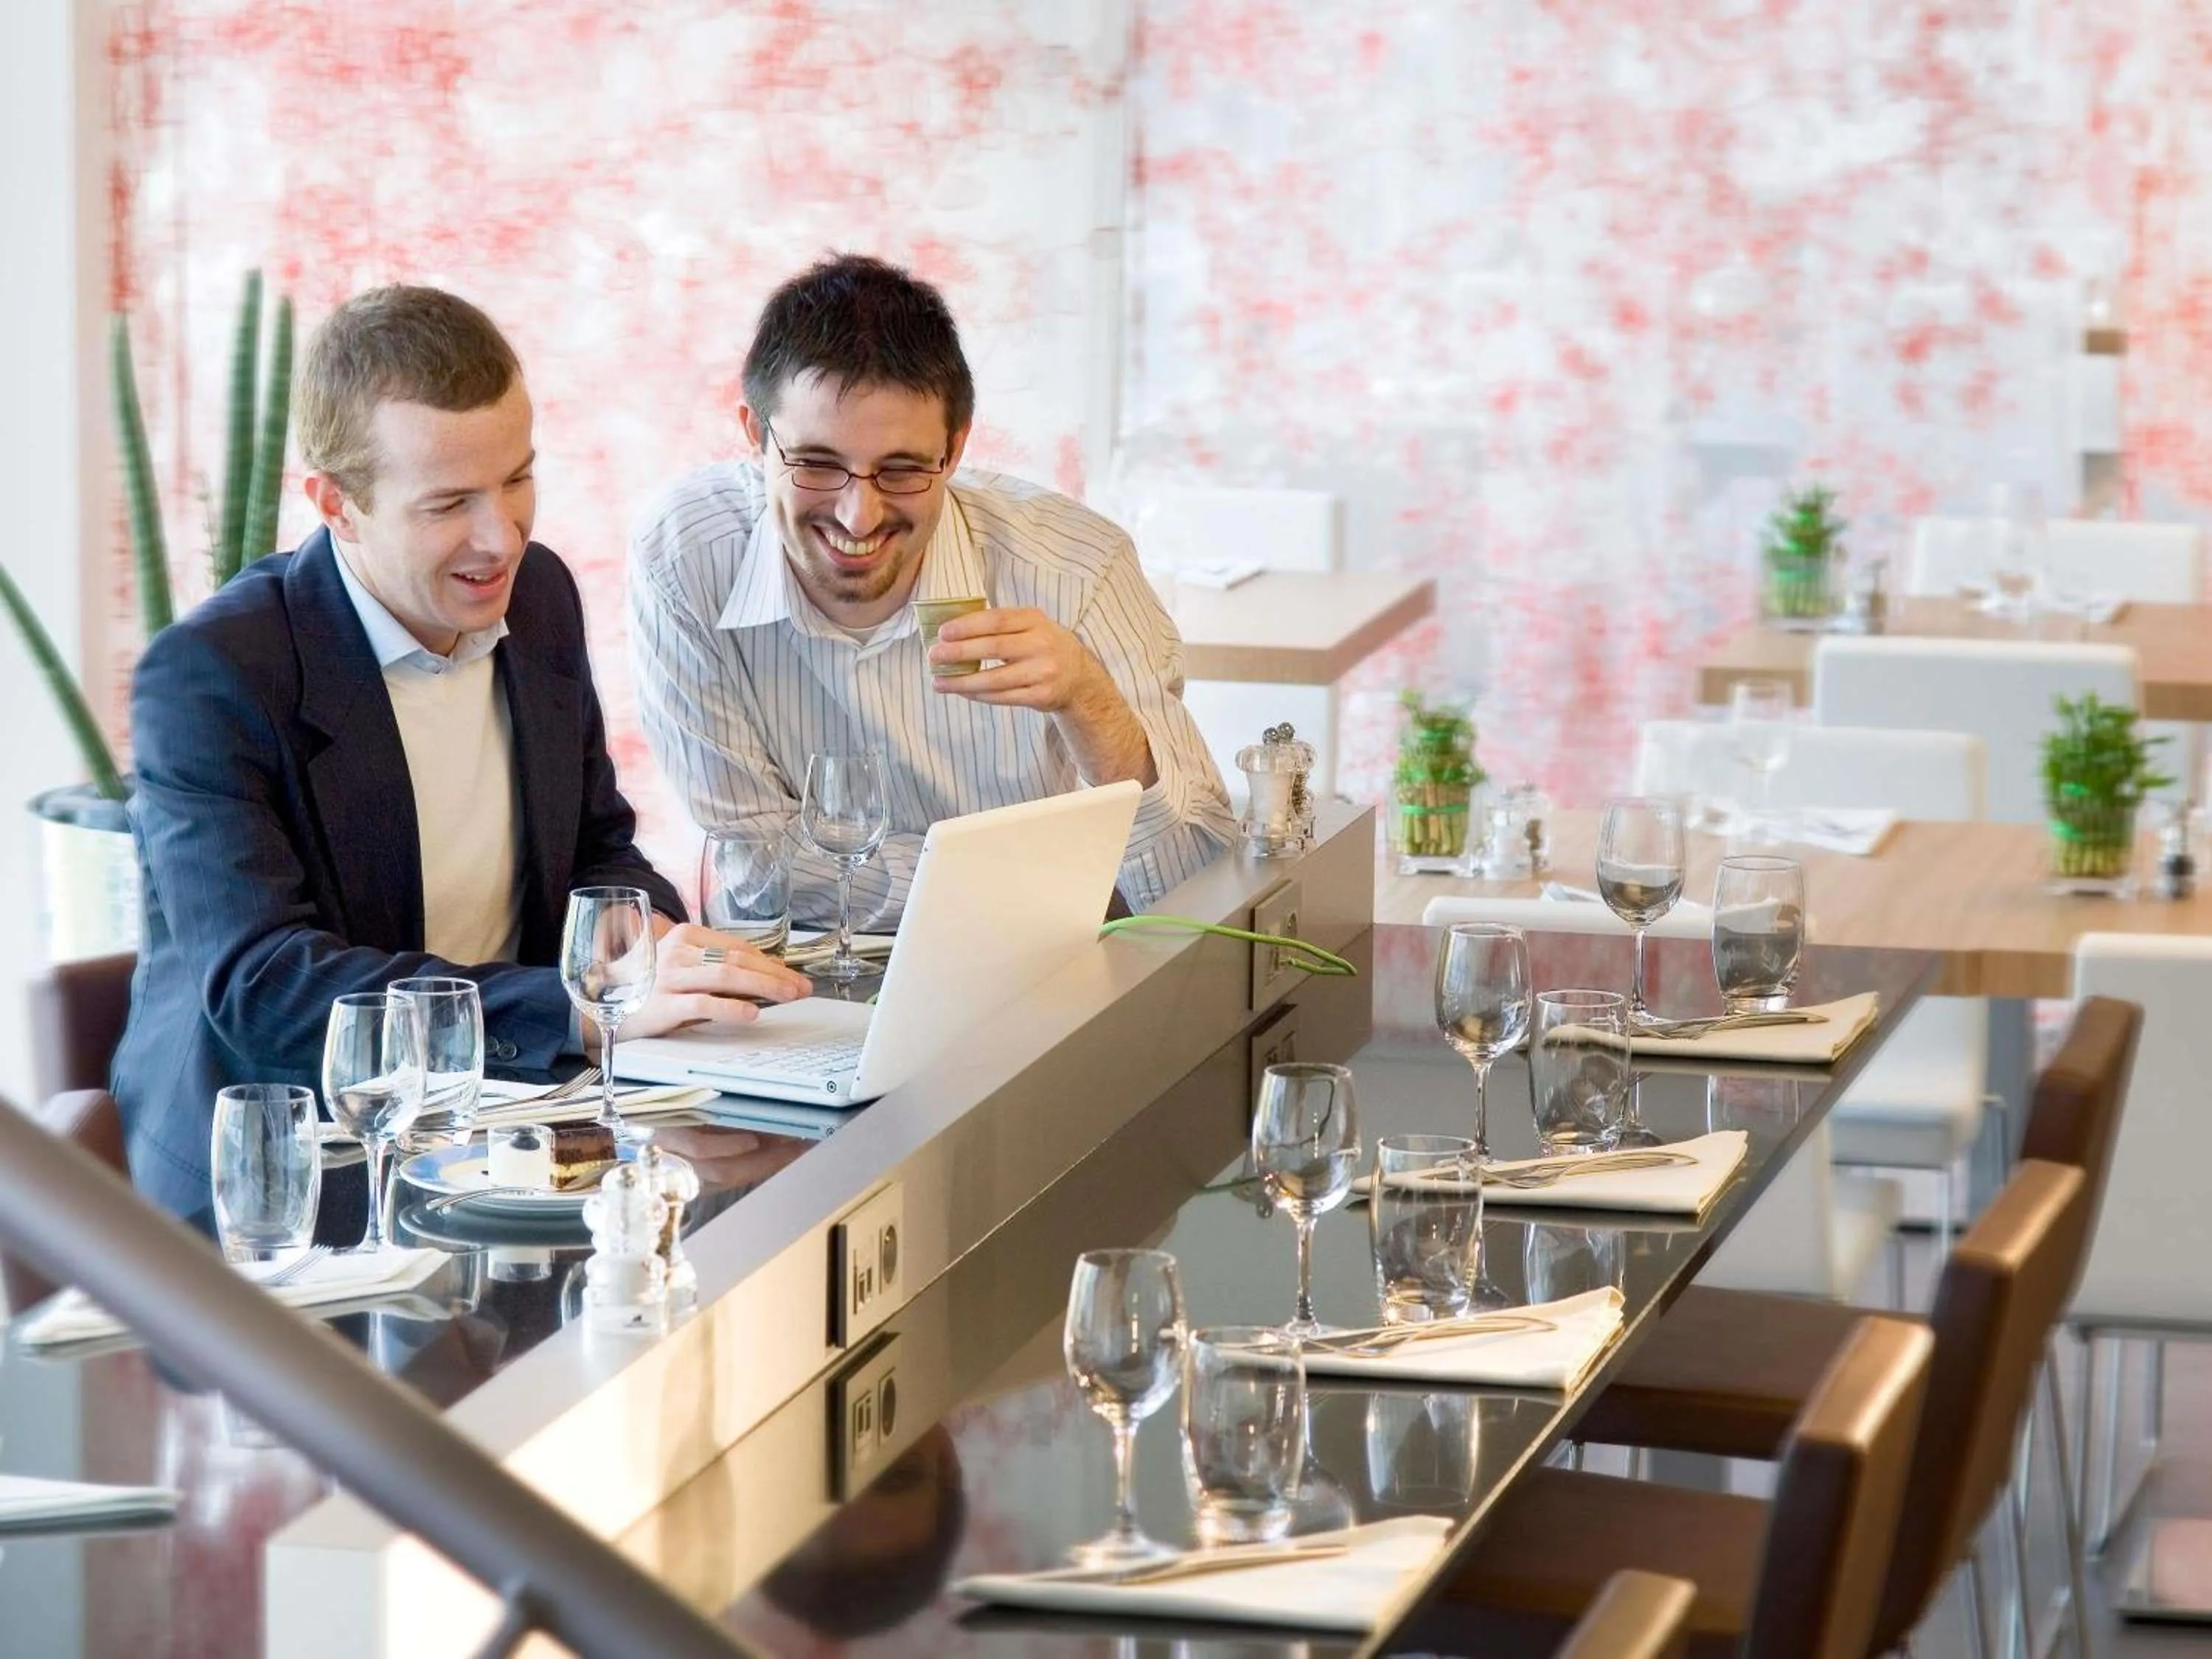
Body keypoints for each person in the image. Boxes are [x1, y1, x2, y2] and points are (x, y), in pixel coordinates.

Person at [113, 285, 807, 1222]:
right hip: (285, 1183)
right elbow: (263, 986)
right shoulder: (212, 675)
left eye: (518, 478)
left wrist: (649, 950)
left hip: (514, 1132)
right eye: (449, 503)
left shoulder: (541, 595)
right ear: (337, 505)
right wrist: (569, 1011)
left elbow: (594, 848)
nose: (502, 536)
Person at [628, 254, 1234, 929]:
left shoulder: (1078, 572)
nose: (858, 515)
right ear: (753, 434)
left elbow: (1199, 894)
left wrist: (1090, 702)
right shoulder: (685, 554)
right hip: (790, 988)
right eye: (817, 464)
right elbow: (759, 868)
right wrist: (1055, 888)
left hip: (1042, 980)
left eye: (903, 470)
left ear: (955, 449)